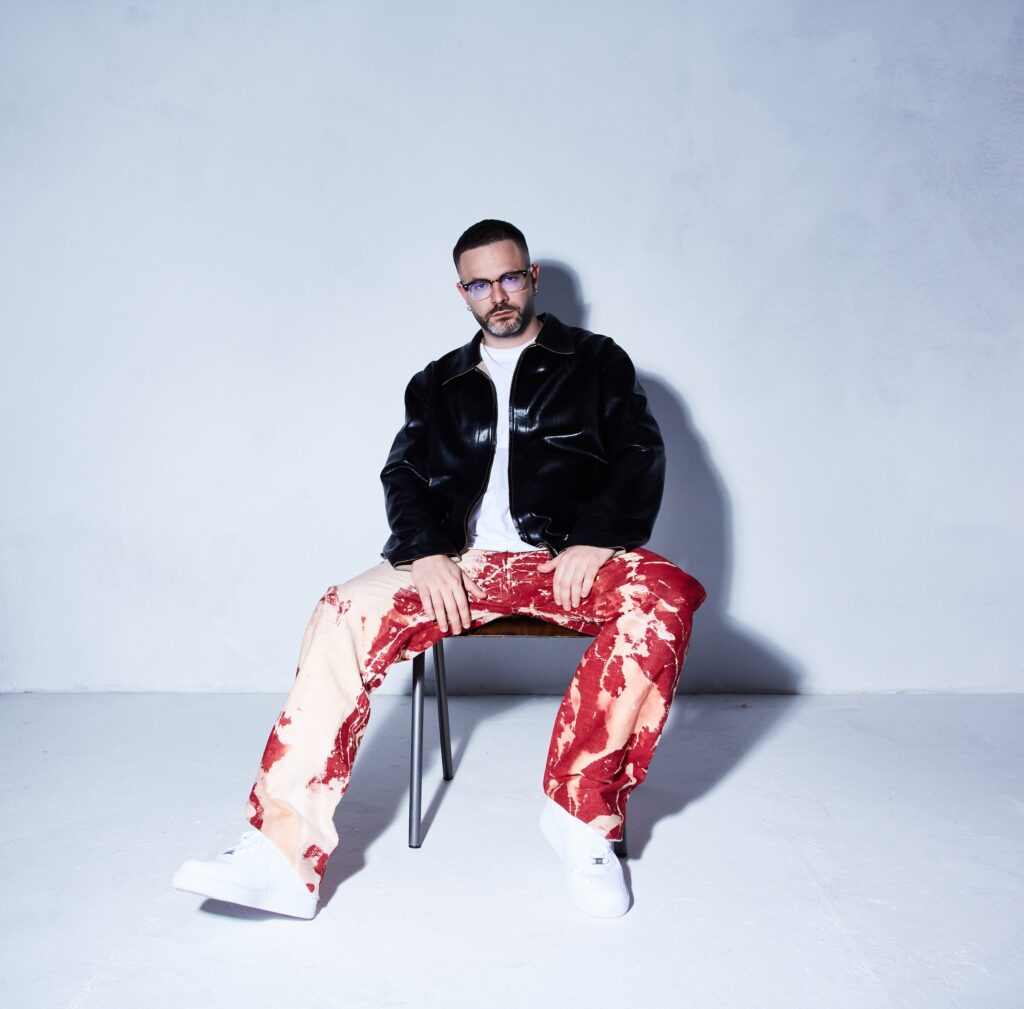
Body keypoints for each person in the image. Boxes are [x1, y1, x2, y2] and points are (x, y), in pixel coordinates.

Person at [173, 219, 706, 919]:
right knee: (340, 610)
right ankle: (281, 851)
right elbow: (403, 474)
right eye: (480, 285)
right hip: (459, 563)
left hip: (564, 559)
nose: (498, 296)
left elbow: (641, 452)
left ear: (532, 277)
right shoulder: (437, 382)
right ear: (463, 292)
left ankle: (582, 817)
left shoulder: (597, 360)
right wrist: (426, 552)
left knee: (666, 594)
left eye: (509, 278)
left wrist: (596, 538)